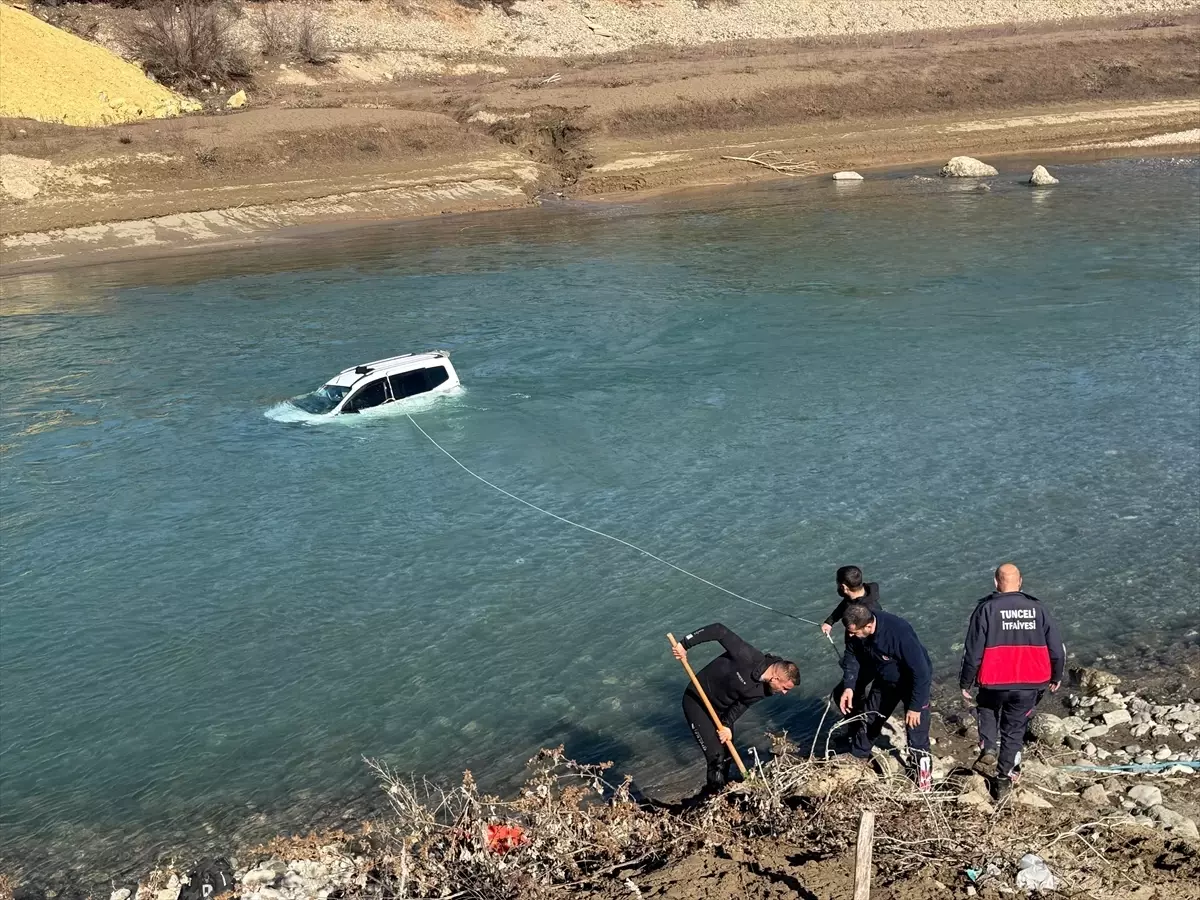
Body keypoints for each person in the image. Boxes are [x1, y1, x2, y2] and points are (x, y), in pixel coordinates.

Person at [959, 563, 1066, 798]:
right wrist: (1056, 675)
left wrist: (965, 683)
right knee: (1014, 730)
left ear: (996, 583)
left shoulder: (985, 608)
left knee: (986, 706)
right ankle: (1003, 777)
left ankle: (988, 746)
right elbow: (1057, 650)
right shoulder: (1038, 608)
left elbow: (973, 651)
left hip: (994, 680)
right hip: (1031, 682)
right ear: (1021, 582)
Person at [672, 623, 800, 797]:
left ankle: (721, 791)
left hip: (721, 711)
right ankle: (714, 797)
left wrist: (726, 725)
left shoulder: (767, 689)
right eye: (785, 688)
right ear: (775, 678)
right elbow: (718, 630)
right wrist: (684, 644)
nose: (784, 693)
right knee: (716, 756)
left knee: (727, 755)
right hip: (698, 701)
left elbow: (741, 704)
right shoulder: (747, 656)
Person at [839, 603, 934, 790]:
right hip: (885, 681)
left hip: (912, 683)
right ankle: (857, 758)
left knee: (916, 733)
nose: (850, 636)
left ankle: (924, 782)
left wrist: (915, 706)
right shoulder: (854, 629)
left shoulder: (899, 632)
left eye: (854, 633)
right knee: (869, 719)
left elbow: (921, 673)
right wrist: (849, 687)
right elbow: (851, 657)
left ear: (868, 626)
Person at [821, 565, 882, 637]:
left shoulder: (869, 611)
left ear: (844, 587)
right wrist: (829, 622)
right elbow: (844, 604)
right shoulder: (857, 596)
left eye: (838, 584)